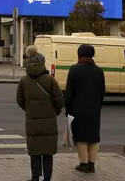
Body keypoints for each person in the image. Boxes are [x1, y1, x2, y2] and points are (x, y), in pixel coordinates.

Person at [16, 45, 63, 181]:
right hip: (49, 120)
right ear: (42, 63)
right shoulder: (50, 80)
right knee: (48, 151)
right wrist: (55, 110)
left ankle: (35, 176)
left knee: (34, 150)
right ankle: (47, 177)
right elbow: (59, 99)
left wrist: (30, 109)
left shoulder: (24, 81)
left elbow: (19, 100)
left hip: (32, 120)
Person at [64, 44, 105, 173]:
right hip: (94, 109)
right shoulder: (99, 71)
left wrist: (67, 109)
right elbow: (102, 92)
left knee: (81, 136)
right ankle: (92, 164)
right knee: (93, 136)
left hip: (78, 109)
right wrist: (98, 106)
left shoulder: (75, 69)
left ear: (79, 54)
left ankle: (84, 163)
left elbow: (69, 92)